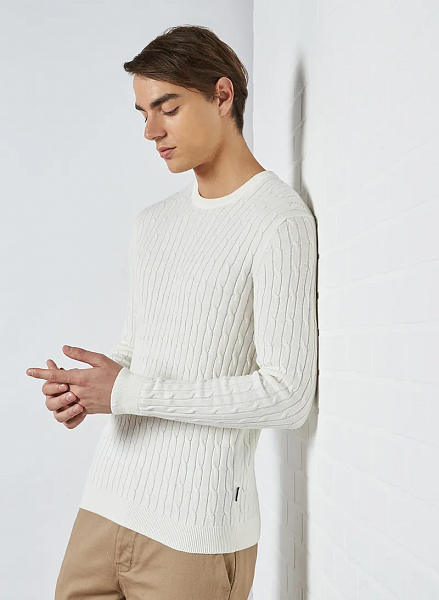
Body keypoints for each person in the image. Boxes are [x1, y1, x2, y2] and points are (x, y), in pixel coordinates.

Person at [47, 24, 318, 600]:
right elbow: (138, 350)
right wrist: (88, 388)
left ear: (222, 96)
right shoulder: (154, 223)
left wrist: (127, 392)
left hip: (196, 532)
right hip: (105, 505)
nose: (151, 131)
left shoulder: (278, 220)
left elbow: (287, 395)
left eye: (167, 109)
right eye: (144, 113)